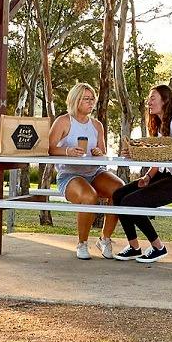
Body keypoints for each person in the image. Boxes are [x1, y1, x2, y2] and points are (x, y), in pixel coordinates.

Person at [103, 84, 172, 264]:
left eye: (153, 98)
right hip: (162, 177)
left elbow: (171, 150)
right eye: (149, 98)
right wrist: (147, 176)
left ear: (165, 100)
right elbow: (159, 155)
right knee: (119, 195)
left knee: (131, 202)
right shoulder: (162, 124)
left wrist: (141, 151)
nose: (149, 102)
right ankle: (134, 247)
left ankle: (158, 247)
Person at [47, 81, 121, 259]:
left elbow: (102, 152)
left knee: (120, 190)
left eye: (92, 99)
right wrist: (67, 151)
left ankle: (105, 238)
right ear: (75, 100)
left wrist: (98, 152)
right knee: (89, 196)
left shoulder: (97, 126)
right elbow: (48, 148)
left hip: (95, 173)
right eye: (86, 99)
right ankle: (82, 243)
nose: (91, 102)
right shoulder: (63, 121)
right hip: (70, 175)